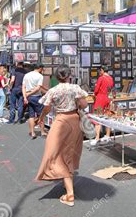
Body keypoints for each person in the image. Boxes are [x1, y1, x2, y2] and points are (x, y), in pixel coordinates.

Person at [35, 65, 88, 207]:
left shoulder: (53, 91)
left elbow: (46, 107)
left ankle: (70, 194)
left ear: (56, 77)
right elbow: (84, 104)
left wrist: (41, 117)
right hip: (74, 121)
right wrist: (76, 102)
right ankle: (68, 181)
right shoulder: (75, 88)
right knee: (69, 152)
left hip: (60, 122)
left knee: (56, 153)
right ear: (69, 75)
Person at [90, 65, 114, 146]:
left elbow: (96, 90)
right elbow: (111, 89)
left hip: (100, 98)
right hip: (108, 98)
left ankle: (97, 138)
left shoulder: (101, 78)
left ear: (102, 70)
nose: (99, 72)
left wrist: (95, 94)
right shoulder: (111, 78)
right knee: (107, 117)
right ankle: (107, 135)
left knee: (97, 118)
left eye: (100, 71)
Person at [23, 64, 46, 139]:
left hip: (29, 97)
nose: (42, 70)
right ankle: (42, 132)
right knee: (41, 115)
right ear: (40, 68)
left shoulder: (26, 75)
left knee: (31, 115)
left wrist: (25, 96)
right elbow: (38, 88)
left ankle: (32, 132)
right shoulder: (40, 76)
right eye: (42, 69)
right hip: (37, 97)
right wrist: (29, 94)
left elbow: (23, 87)